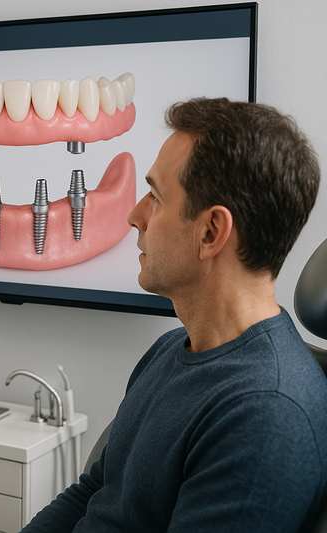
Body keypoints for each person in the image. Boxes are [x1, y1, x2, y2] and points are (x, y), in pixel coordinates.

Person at [21, 97, 327, 532]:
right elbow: (93, 492)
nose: (134, 216)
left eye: (155, 197)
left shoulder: (266, 417)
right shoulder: (171, 348)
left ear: (210, 232)